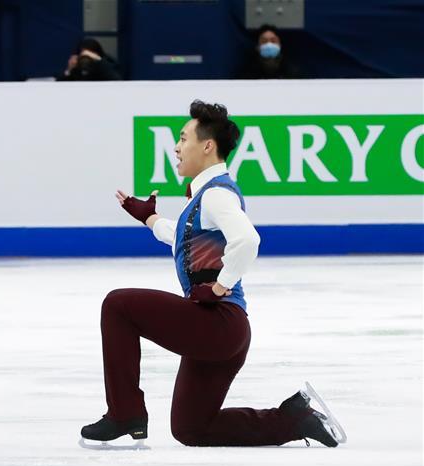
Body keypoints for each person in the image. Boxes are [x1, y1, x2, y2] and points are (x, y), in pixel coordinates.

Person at [80, 100, 345, 448]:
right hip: (222, 332)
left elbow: (248, 240)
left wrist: (220, 287)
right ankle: (292, 418)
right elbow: (184, 236)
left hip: (218, 322)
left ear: (207, 146)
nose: (176, 147)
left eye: (183, 138)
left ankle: (124, 413)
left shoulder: (217, 193)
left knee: (118, 306)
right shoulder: (207, 194)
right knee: (191, 429)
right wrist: (149, 218)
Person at [237, 24, 302, 79]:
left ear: (280, 45)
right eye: (264, 41)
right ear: (257, 47)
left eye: (273, 41)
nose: (269, 44)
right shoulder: (247, 74)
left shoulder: (292, 72)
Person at [57, 38, 122, 81]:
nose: (87, 58)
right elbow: (59, 87)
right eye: (84, 54)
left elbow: (116, 81)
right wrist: (69, 70)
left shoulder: (106, 64)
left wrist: (99, 60)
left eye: (90, 54)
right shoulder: (77, 67)